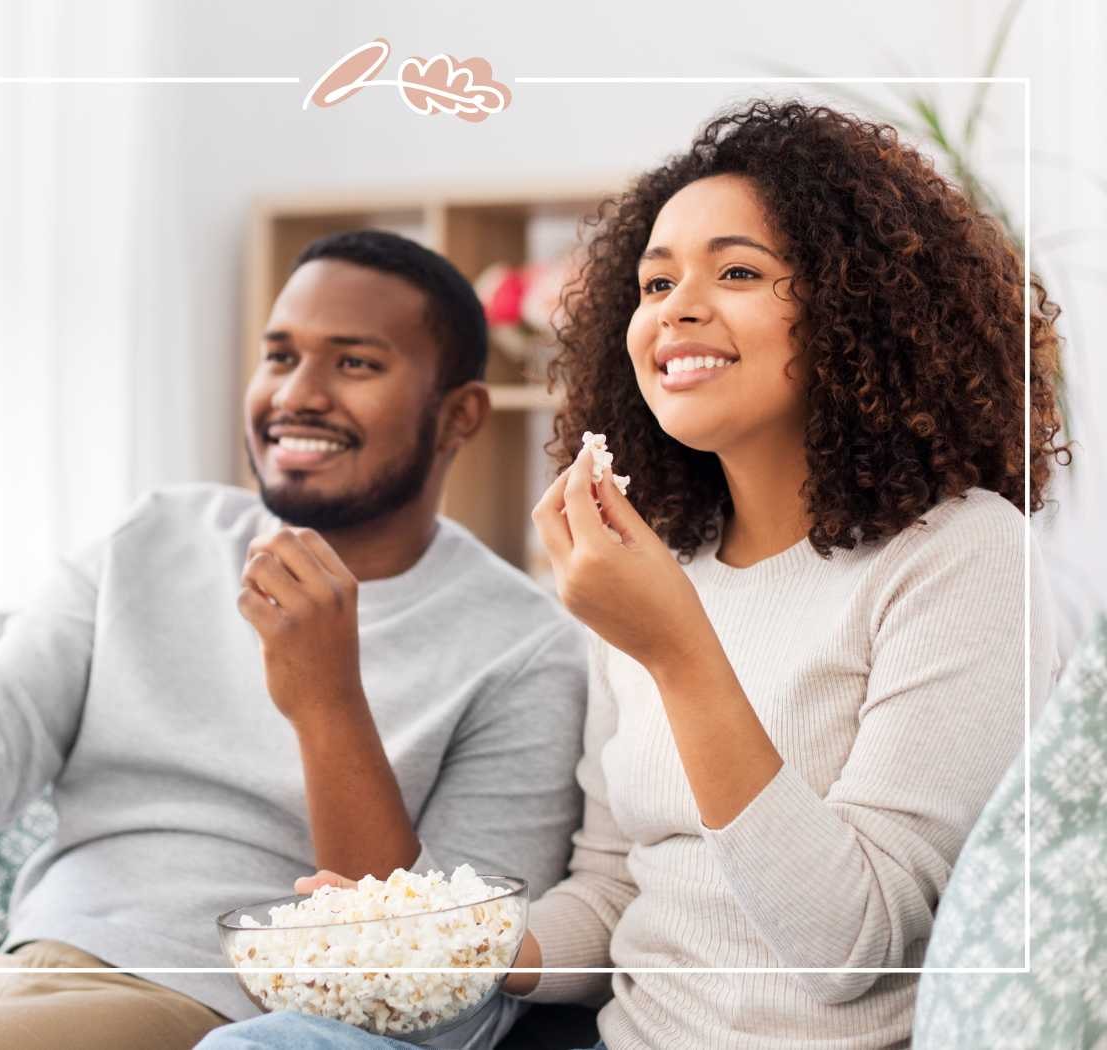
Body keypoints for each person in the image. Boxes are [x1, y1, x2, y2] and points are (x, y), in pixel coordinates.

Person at [195, 99, 1066, 1050]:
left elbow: (854, 943)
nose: (677, 309)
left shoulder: (960, 558)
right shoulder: (656, 561)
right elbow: (615, 888)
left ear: (861, 308)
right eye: (655, 284)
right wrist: (458, 945)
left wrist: (679, 651)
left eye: (738, 272)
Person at [0, 230, 587, 1050]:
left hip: (203, 1012)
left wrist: (327, 701)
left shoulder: (523, 648)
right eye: (279, 356)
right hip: (15, 979)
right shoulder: (156, 536)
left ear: (461, 415)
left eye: (355, 363)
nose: (296, 395)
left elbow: (446, 988)